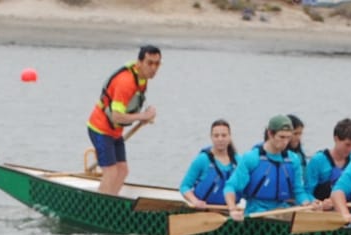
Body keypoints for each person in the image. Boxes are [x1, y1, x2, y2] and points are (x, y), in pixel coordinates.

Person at [88, 45, 162, 197]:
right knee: (111, 171)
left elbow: (129, 109)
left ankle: (110, 201)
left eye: (157, 64)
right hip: (100, 129)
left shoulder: (142, 78)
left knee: (122, 170)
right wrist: (143, 116)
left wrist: (144, 115)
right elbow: (116, 116)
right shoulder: (126, 82)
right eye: (149, 63)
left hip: (115, 131)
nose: (153, 68)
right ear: (139, 62)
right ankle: (101, 206)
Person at [226, 115, 315, 220]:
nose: (285, 142)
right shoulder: (252, 158)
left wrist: (308, 204)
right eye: (281, 137)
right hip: (256, 211)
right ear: (270, 134)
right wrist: (232, 209)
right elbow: (230, 187)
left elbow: (299, 191)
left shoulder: (293, 160)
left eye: (288, 138)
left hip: (282, 209)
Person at [180, 119, 239, 208]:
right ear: (211, 137)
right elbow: (184, 187)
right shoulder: (202, 160)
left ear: (230, 137)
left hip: (229, 211)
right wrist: (195, 202)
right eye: (216, 136)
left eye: (224, 135)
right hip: (205, 210)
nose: (220, 139)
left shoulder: (238, 161)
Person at [307, 118, 351, 202]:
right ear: (336, 139)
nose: (350, 149)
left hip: (348, 206)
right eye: (347, 145)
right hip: (322, 208)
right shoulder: (317, 160)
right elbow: (307, 191)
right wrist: (315, 202)